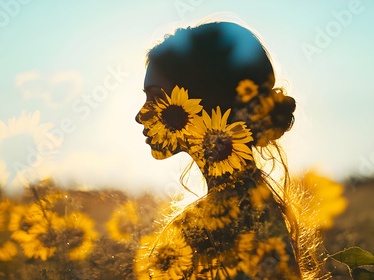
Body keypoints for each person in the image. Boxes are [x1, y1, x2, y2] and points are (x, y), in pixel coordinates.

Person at [135, 21, 319, 280]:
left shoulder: (206, 229)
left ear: (200, 100)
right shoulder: (258, 209)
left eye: (155, 97)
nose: (140, 115)